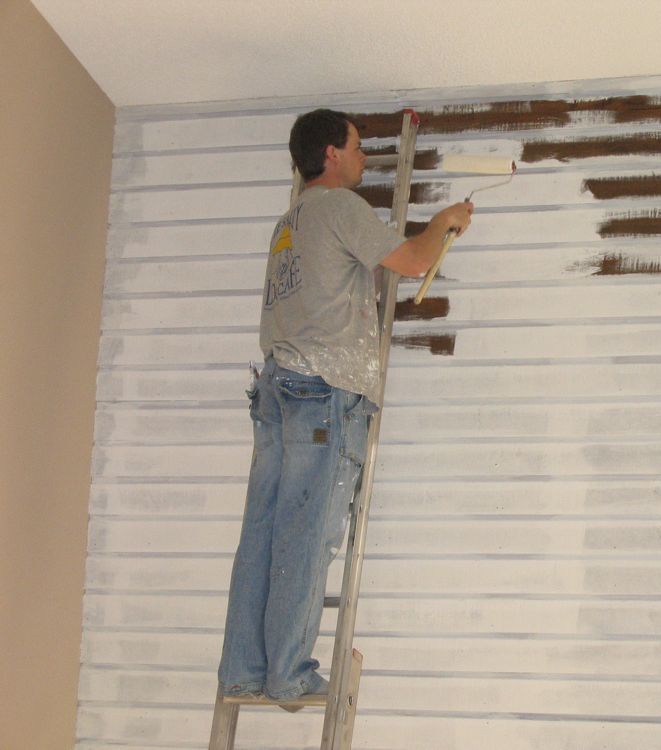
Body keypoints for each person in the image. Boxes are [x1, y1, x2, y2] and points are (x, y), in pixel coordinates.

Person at [217, 109, 473, 703]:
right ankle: (287, 673)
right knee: (306, 536)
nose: (364, 158)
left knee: (262, 533)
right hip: (321, 392)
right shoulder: (339, 208)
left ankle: (243, 668)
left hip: (280, 390)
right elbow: (412, 262)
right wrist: (444, 222)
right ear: (330, 154)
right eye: (357, 148)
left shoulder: (289, 223)